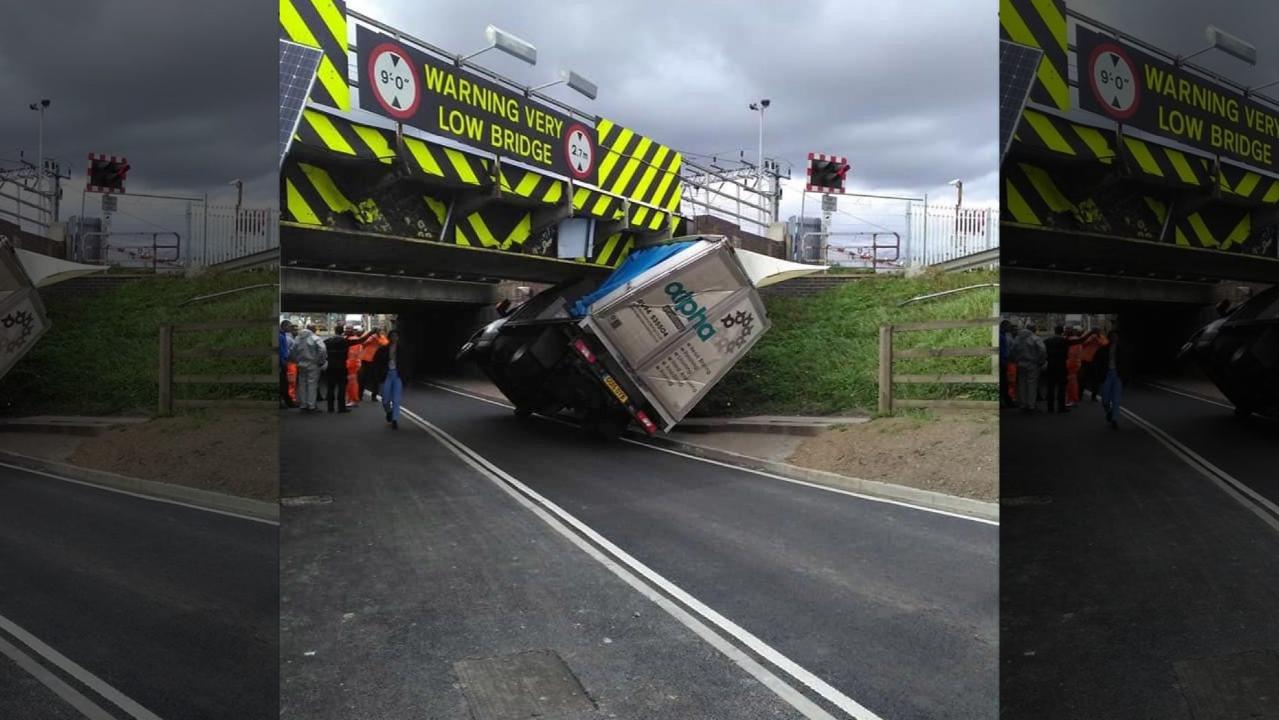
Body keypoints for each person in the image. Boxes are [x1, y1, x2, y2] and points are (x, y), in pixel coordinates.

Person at [323, 323, 371, 413]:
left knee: (331, 387)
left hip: (331, 366)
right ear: (342, 331)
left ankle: (330, 408)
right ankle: (341, 408)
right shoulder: (345, 341)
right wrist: (370, 333)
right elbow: (361, 340)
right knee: (342, 387)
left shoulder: (327, 341)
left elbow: (321, 351)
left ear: (334, 331)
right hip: (342, 366)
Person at [288, 325, 327, 411]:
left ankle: (303, 404)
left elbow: (292, 351)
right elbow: (323, 349)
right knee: (312, 385)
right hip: (313, 364)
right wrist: (320, 360)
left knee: (302, 384)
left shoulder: (298, 339)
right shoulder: (315, 338)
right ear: (313, 329)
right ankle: (311, 405)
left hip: (301, 364)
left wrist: (296, 361)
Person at [372, 330, 404, 430]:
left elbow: (408, 364)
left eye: (396, 336)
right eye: (392, 336)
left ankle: (395, 420)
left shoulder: (402, 350)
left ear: (398, 338)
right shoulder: (383, 349)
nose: (394, 338)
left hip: (398, 376)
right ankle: (389, 412)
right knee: (385, 399)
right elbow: (376, 363)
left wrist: (406, 376)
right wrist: (377, 375)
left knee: (396, 399)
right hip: (386, 375)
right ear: (389, 338)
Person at [1010, 323, 1046, 412]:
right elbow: (1042, 350)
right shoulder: (1035, 338)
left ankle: (1023, 403)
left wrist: (1016, 360)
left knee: (1021, 384)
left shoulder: (1018, 339)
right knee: (1032, 384)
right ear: (1034, 329)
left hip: (1021, 364)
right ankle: (1031, 405)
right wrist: (1040, 361)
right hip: (1033, 364)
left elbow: (1012, 350)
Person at [1079, 329, 1110, 401]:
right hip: (1085, 360)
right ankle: (1079, 395)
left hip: (1096, 361)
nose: (1096, 333)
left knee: (1096, 379)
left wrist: (1097, 338)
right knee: (1083, 379)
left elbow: (1105, 344)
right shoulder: (1087, 336)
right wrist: (1091, 338)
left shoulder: (1101, 337)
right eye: (1094, 331)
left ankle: (1094, 396)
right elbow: (1082, 343)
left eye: (1097, 331)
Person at [1100, 330, 1122, 429]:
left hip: (1117, 375)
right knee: (1105, 399)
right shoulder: (1103, 349)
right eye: (1112, 336)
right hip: (1107, 374)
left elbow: (1127, 364)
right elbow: (1098, 363)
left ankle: (1115, 419)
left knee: (1116, 399)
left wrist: (1125, 376)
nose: (1114, 338)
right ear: (1109, 337)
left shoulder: (1122, 350)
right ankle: (1109, 411)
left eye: (1116, 336)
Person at [359, 328, 389, 402]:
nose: (380, 332)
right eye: (378, 331)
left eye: (380, 331)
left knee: (375, 378)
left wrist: (377, 339)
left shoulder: (382, 337)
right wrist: (372, 337)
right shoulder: (371, 337)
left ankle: (374, 396)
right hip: (366, 359)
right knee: (363, 378)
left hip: (376, 360)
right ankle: (360, 395)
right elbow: (363, 343)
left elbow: (385, 344)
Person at [278, 320, 295, 408]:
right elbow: (281, 351)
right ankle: (284, 402)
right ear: (284, 326)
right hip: (282, 363)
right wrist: (283, 362)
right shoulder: (281, 336)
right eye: (289, 326)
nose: (290, 328)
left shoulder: (283, 335)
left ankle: (286, 402)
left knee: (284, 383)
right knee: (283, 383)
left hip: (284, 361)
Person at [345, 327, 363, 408]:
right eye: (346, 329)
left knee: (351, 383)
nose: (347, 331)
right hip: (352, 364)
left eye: (348, 329)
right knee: (351, 383)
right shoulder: (352, 339)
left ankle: (353, 400)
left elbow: (353, 354)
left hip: (352, 365)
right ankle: (351, 399)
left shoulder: (352, 340)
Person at [999, 320, 1015, 408]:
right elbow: (1001, 350)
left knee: (1004, 382)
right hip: (1002, 361)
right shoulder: (1001, 336)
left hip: (1004, 360)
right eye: (1009, 326)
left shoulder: (1003, 335)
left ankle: (1005, 401)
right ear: (1004, 326)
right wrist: (1003, 361)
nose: (1010, 328)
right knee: (1003, 382)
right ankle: (1004, 402)